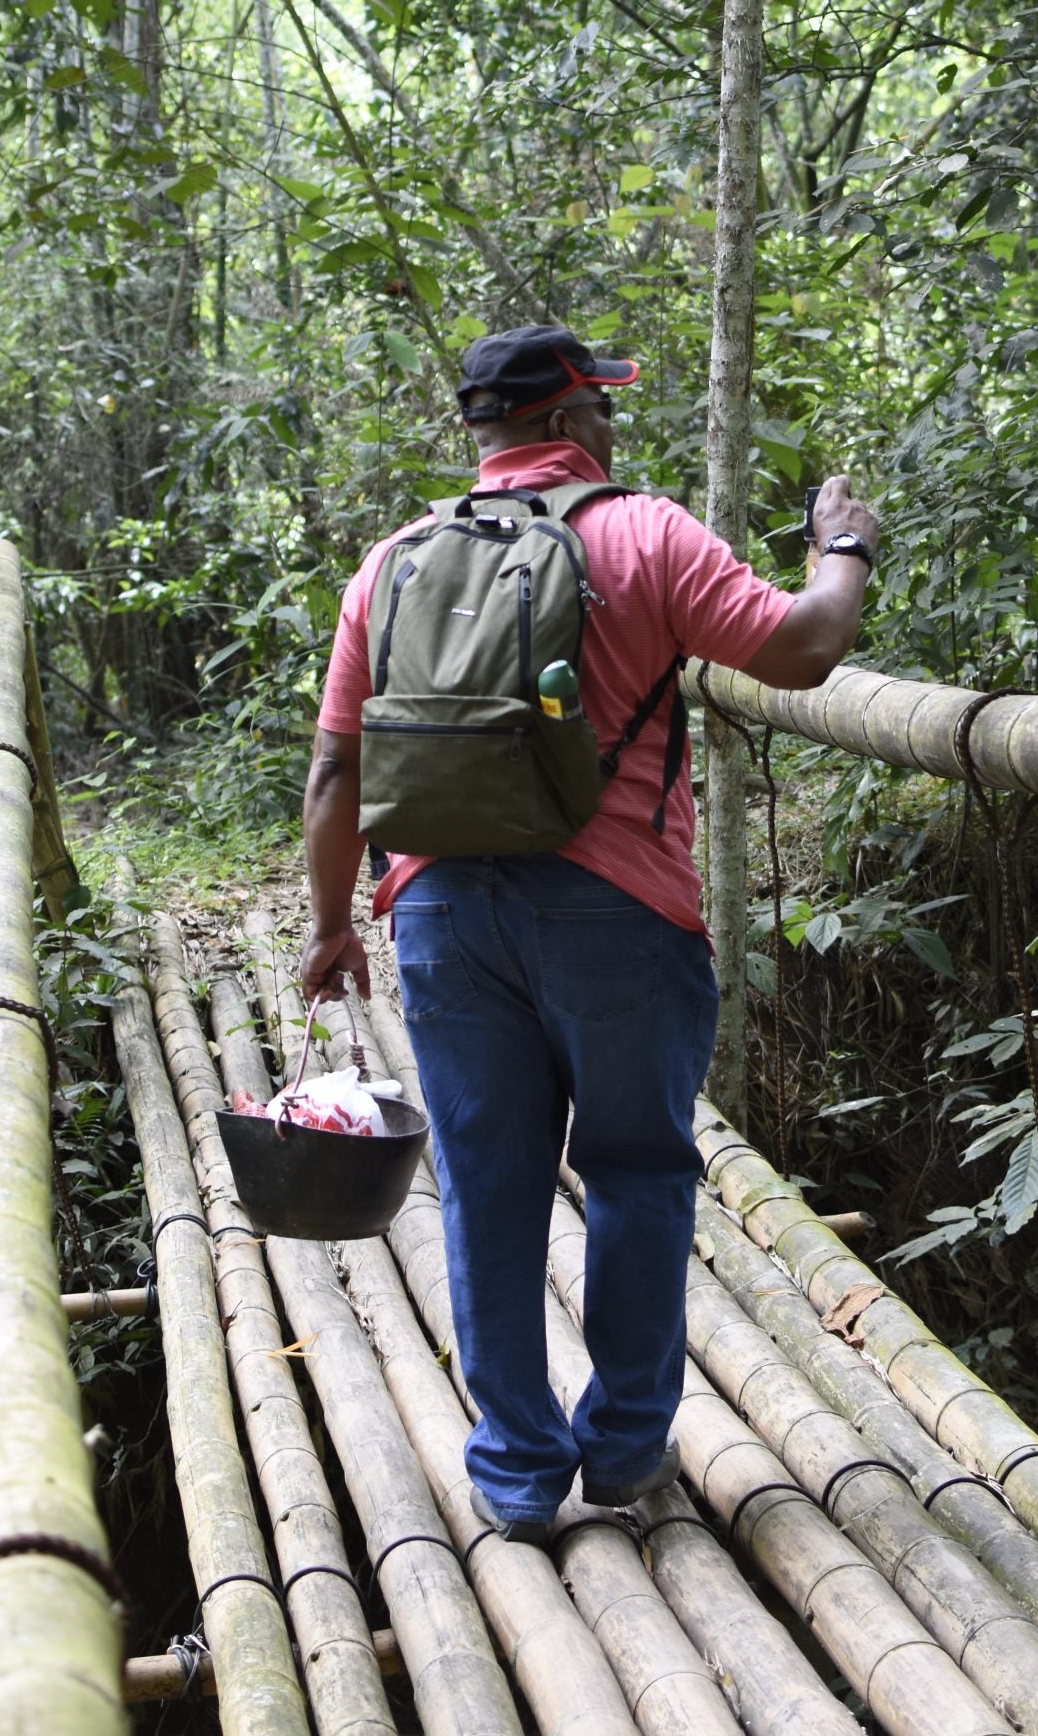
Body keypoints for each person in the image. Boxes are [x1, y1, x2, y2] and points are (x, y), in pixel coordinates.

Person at [301, 323, 880, 1542]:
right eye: (602, 410)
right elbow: (803, 647)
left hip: (441, 913)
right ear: (569, 421)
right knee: (635, 1172)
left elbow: (335, 771)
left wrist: (329, 928)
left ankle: (516, 1471)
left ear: (482, 431)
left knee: (486, 1187)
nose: (612, 429)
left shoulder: (391, 563)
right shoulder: (644, 534)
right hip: (617, 908)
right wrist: (842, 546)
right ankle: (622, 1448)